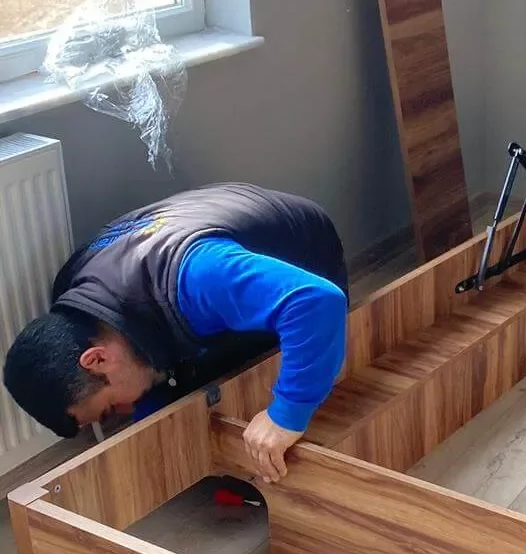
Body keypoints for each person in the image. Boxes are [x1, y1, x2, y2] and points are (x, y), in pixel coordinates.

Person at [3, 182, 349, 484]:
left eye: (109, 409)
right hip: (212, 225)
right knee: (157, 388)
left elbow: (317, 302)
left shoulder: (194, 281)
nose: (123, 411)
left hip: (303, 253)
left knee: (220, 377)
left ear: (96, 359)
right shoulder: (72, 292)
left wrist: (285, 415)